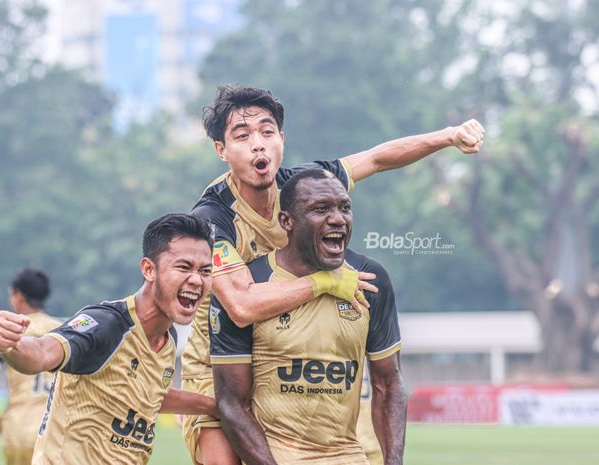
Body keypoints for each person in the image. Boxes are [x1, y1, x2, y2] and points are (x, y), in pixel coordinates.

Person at [182, 85, 483, 464]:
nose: (258, 144)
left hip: (294, 346)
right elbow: (240, 305)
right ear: (221, 151)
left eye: (267, 131)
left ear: (282, 139)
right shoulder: (213, 217)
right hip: (219, 359)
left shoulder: (302, 185)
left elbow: (377, 158)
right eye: (242, 136)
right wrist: (326, 281)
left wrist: (448, 136)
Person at [210, 169, 406, 465]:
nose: (338, 218)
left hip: (349, 456)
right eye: (321, 209)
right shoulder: (252, 284)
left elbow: (388, 384)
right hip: (277, 456)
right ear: (286, 221)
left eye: (345, 207)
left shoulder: (371, 279)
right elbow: (232, 404)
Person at [0, 214, 219, 465]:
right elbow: (42, 354)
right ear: (148, 269)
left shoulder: (168, 338)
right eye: (184, 267)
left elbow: (148, 395)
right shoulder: (106, 324)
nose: (197, 279)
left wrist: (216, 406)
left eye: (205, 270)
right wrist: (12, 346)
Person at [0, 268, 60, 465]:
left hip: (18, 430)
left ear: (19, 296)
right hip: (54, 430)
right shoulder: (62, 331)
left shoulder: (7, 333)